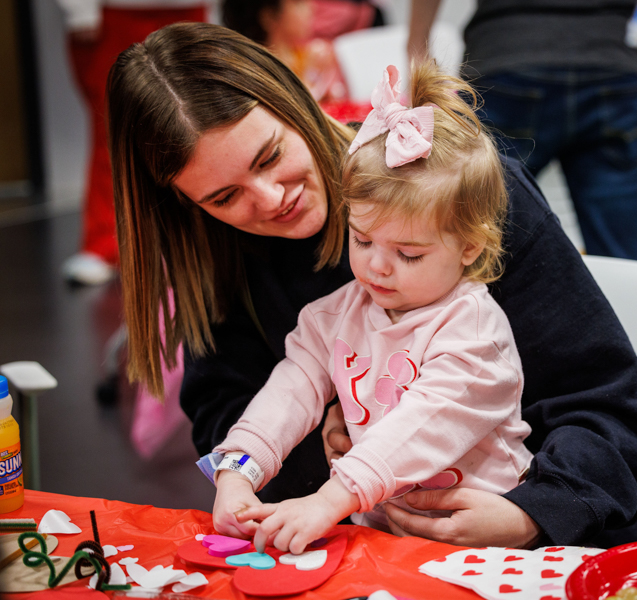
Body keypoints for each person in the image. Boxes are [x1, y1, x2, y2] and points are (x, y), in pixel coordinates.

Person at [108, 22, 637, 549]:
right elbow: (253, 402)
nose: (270, 198)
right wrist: (259, 462)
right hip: (373, 538)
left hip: (550, 535)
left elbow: (604, 403)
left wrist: (531, 513)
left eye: (272, 156)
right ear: (189, 205)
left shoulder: (452, 192)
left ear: (293, 102)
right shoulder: (319, 304)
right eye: (224, 198)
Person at [209, 63, 534, 554]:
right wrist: (238, 470)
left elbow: (423, 422)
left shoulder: (474, 332)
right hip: (382, 538)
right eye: (361, 240)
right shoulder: (334, 315)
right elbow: (289, 393)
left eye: (409, 254)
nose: (377, 268)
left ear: (469, 246)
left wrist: (330, 498)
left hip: (486, 550)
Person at [408, 0, 637, 263]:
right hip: (615, 59)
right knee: (627, 263)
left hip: (509, 58)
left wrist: (417, 49)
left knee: (475, 252)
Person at [55, 0, 210, 285]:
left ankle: (197, 241)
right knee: (112, 126)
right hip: (115, 12)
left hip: (190, 8)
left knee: (195, 121)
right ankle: (104, 244)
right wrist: (79, 10)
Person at [222, 0, 347, 103]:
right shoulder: (256, 75)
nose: (311, 7)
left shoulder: (308, 56)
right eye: (298, 2)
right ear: (269, 16)